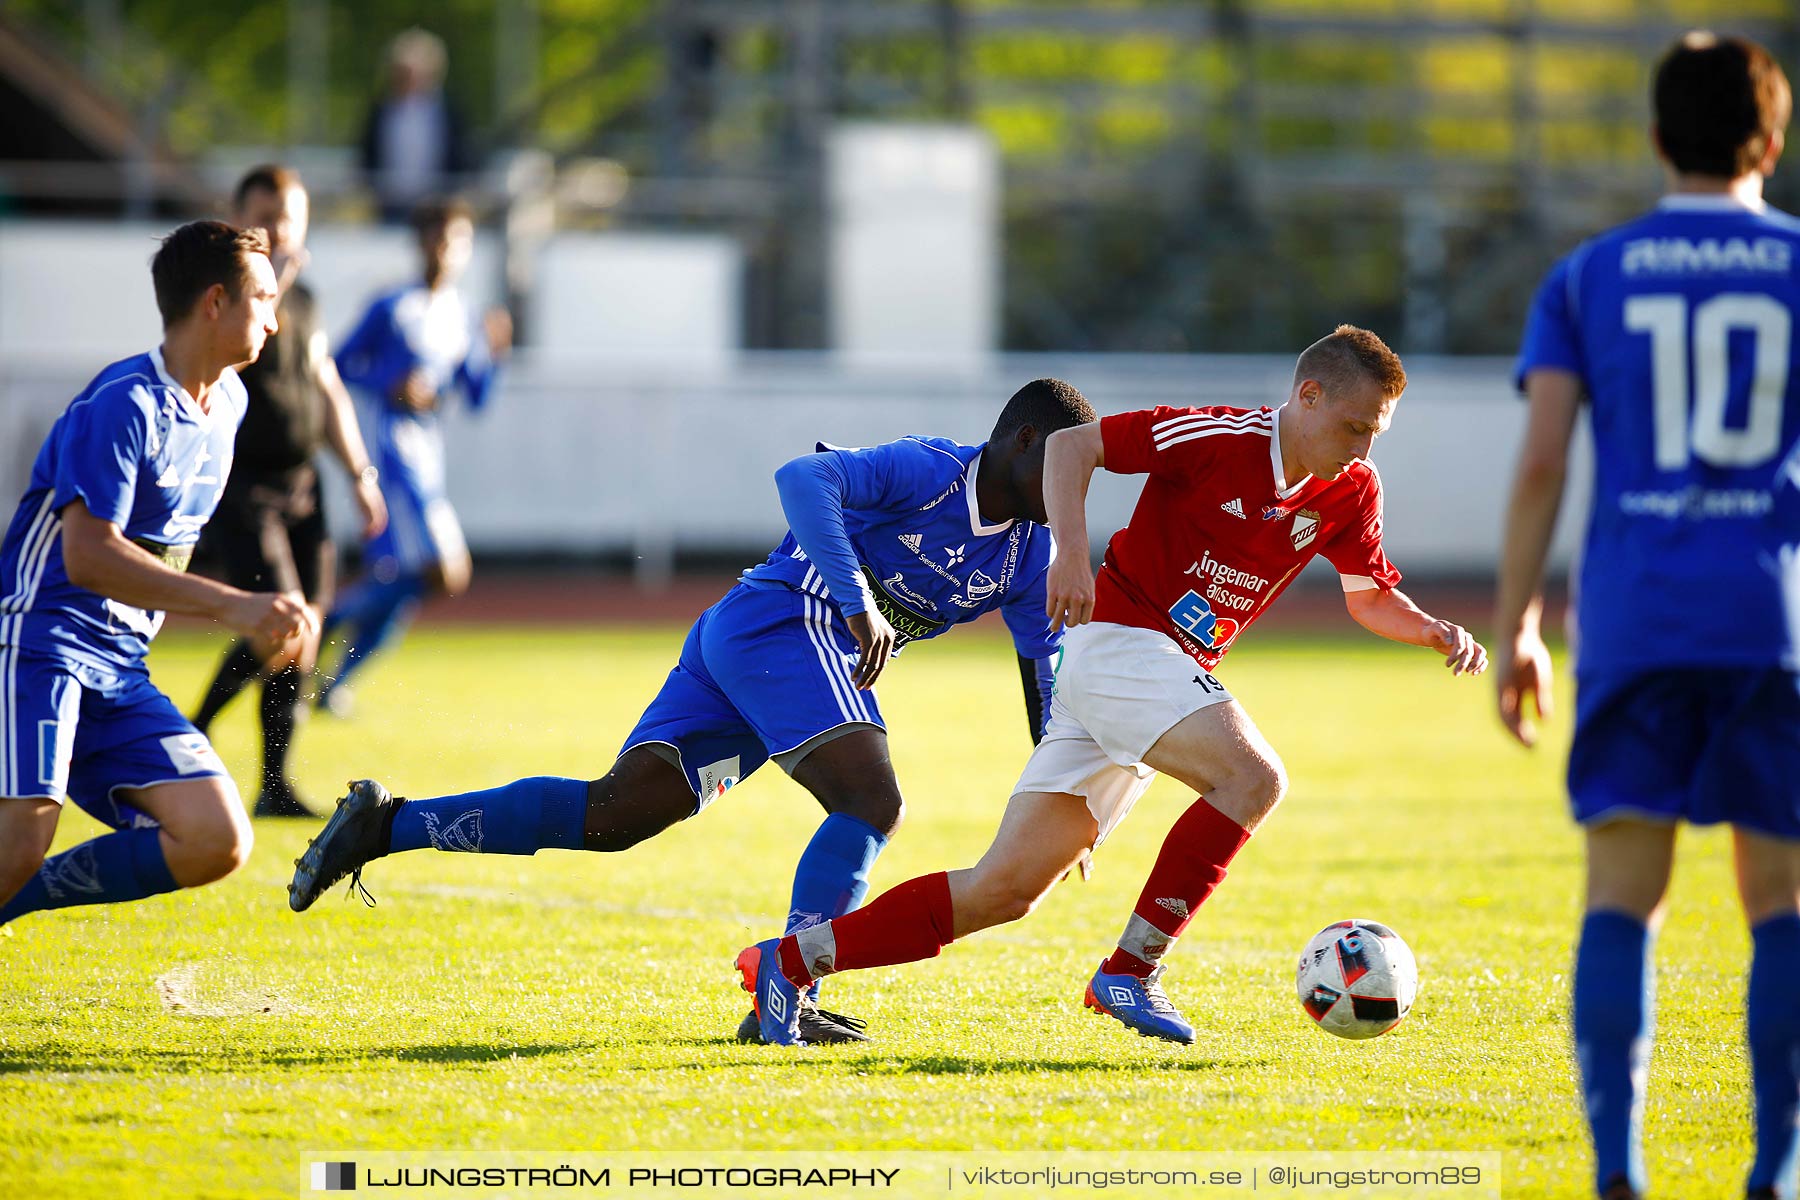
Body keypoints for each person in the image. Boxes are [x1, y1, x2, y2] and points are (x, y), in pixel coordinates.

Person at [734, 326, 1489, 1047]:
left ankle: (788, 963)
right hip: (1122, 646)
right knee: (1252, 779)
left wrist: (1431, 629)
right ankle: (1131, 970)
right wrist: (1068, 554)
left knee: (1005, 890)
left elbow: (1369, 593)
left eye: (1375, 436)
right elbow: (1072, 445)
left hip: (1149, 675)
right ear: (1310, 395)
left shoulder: (1350, 489)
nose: (1362, 448)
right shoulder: (1217, 437)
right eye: (1355, 426)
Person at [287, 379, 1099, 1044]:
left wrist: (1060, 796)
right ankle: (788, 993)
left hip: (759, 653)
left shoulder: (1032, 555)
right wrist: (857, 602)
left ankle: (386, 825)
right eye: (1067, 473)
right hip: (783, 625)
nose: (1074, 497)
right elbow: (802, 478)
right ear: (1024, 444)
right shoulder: (932, 470)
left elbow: (1043, 667)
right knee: (871, 799)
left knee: (617, 814)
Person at [1494, 32, 1800, 1200]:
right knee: (1778, 905)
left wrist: (1518, 624)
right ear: (1769, 140)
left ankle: (1617, 1172)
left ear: (1658, 138)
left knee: (1623, 895)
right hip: (1771, 622)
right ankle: (1773, 1173)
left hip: (1631, 624)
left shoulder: (1589, 277)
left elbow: (1538, 470)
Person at [0, 221, 314, 928]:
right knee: (21, 836)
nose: (275, 314)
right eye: (262, 297)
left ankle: (12, 898)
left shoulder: (228, 404)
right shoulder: (125, 403)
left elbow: (171, 544)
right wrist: (234, 606)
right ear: (213, 303)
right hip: (38, 646)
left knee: (216, 840)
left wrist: (273, 607)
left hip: (120, 667)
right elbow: (90, 557)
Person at [189, 165, 387, 818]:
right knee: (283, 621)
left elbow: (325, 384)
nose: (278, 227)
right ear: (238, 217)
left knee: (305, 630)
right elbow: (217, 366)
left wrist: (360, 473)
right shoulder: (218, 294)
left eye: (289, 216)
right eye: (265, 214)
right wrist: (270, 290)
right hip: (245, 487)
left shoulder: (306, 299)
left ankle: (273, 784)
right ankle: (192, 731)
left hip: (305, 488)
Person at [315, 197, 508, 715]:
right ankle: (321, 632)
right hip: (391, 458)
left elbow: (475, 396)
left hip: (428, 460)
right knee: (444, 572)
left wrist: (494, 355)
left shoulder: (462, 314)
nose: (447, 250)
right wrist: (389, 384)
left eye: (457, 241)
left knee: (406, 583)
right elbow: (338, 363)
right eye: (438, 238)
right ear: (420, 241)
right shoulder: (393, 306)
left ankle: (329, 671)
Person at [360, 28, 469, 224]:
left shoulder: (448, 113)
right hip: (390, 205)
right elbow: (367, 153)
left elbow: (460, 155)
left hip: (436, 205)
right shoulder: (381, 111)